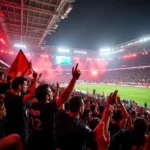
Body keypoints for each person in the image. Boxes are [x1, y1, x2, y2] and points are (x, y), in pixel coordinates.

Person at [27, 64, 81, 150]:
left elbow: (35, 92)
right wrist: (74, 79)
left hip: (33, 141)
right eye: (50, 92)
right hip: (44, 145)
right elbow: (63, 98)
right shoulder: (47, 108)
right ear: (47, 97)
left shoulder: (34, 105)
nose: (52, 93)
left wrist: (36, 79)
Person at [4, 73, 37, 145]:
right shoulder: (13, 98)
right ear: (20, 87)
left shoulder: (18, 98)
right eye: (25, 85)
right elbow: (33, 94)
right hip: (18, 135)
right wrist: (35, 78)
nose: (27, 87)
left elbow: (31, 97)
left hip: (21, 134)